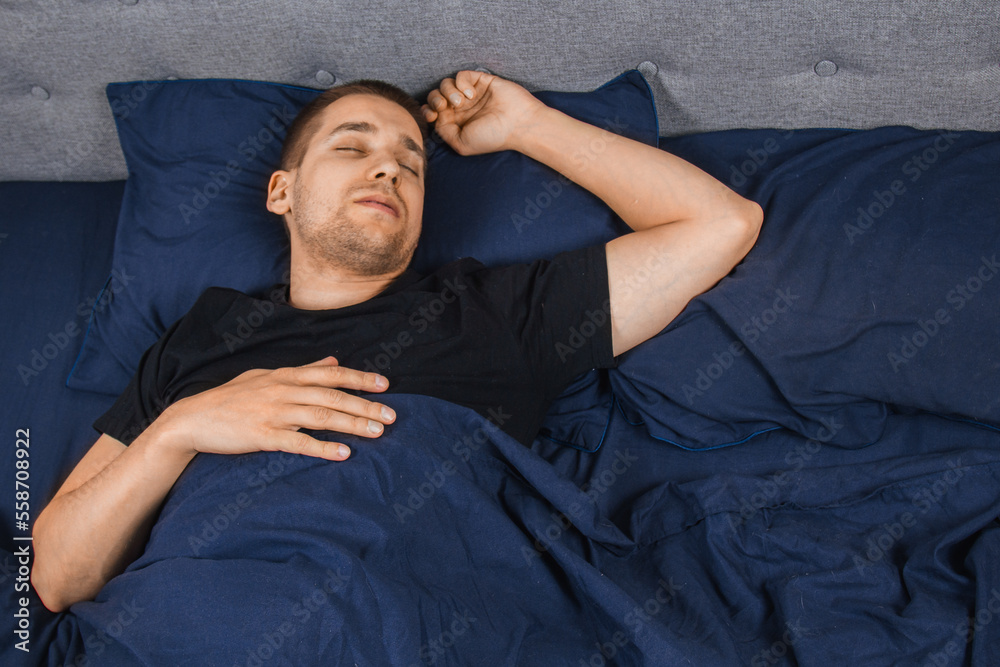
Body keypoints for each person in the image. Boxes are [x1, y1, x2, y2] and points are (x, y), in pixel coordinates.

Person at [31, 70, 762, 611]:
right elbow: (58, 576)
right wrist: (182, 428)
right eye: (352, 147)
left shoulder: (495, 313)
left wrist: (528, 125)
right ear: (281, 192)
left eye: (411, 165)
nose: (388, 167)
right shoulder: (204, 337)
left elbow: (721, 224)